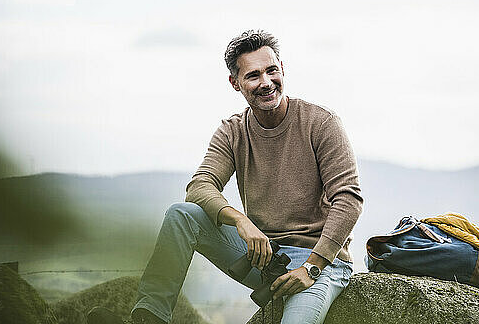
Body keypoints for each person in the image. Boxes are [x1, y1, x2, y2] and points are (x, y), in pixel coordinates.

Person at [130, 30, 363, 324]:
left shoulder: (321, 122)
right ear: (235, 83)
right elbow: (200, 187)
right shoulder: (232, 131)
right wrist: (241, 221)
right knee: (182, 215)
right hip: (265, 257)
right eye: (253, 76)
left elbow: (349, 199)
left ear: (282, 69)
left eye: (271, 71)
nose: (266, 83)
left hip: (320, 263)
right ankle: (148, 318)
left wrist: (312, 268)